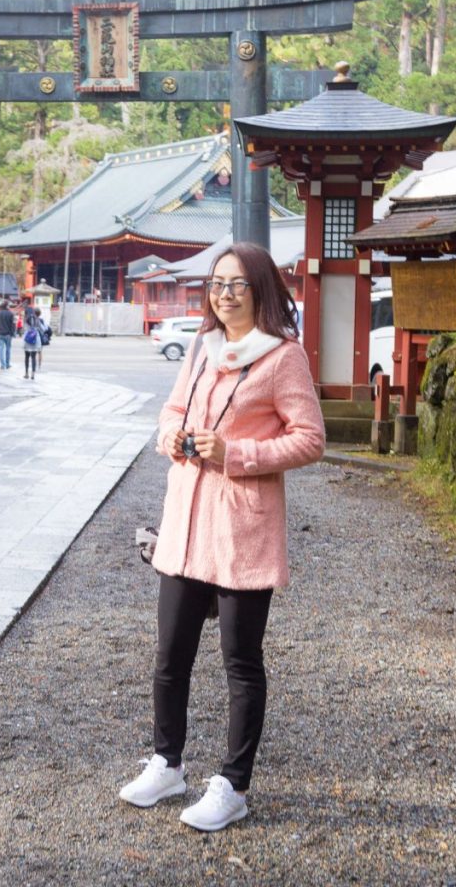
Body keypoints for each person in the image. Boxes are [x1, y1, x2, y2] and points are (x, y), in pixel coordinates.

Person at [119, 242, 325, 832]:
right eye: (217, 283)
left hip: (242, 525)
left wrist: (236, 452)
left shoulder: (284, 357)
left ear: (260, 290)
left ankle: (233, 784)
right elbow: (170, 413)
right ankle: (167, 762)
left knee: (240, 660)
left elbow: (310, 439)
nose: (224, 293)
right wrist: (176, 436)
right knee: (170, 655)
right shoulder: (203, 351)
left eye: (236, 284)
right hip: (186, 520)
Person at [0, 300, 15, 370]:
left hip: (0, 334)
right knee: (8, 349)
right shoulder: (10, 314)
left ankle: (2, 365)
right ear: (7, 306)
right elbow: (13, 325)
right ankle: (7, 364)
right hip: (8, 334)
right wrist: (12, 333)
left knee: (1, 350)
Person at [22, 313, 40, 379]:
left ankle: (26, 373)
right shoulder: (37, 321)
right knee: (33, 357)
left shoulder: (26, 322)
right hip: (34, 341)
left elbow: (23, 329)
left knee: (26, 357)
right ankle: (33, 374)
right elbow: (41, 329)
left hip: (27, 340)